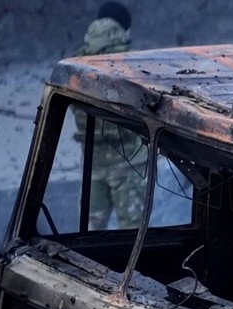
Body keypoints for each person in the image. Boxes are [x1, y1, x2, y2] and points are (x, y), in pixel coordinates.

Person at [73, 1, 147, 230]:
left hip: (91, 163)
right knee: (134, 236)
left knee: (87, 235)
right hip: (130, 162)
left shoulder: (78, 61)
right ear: (124, 29)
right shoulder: (131, 63)